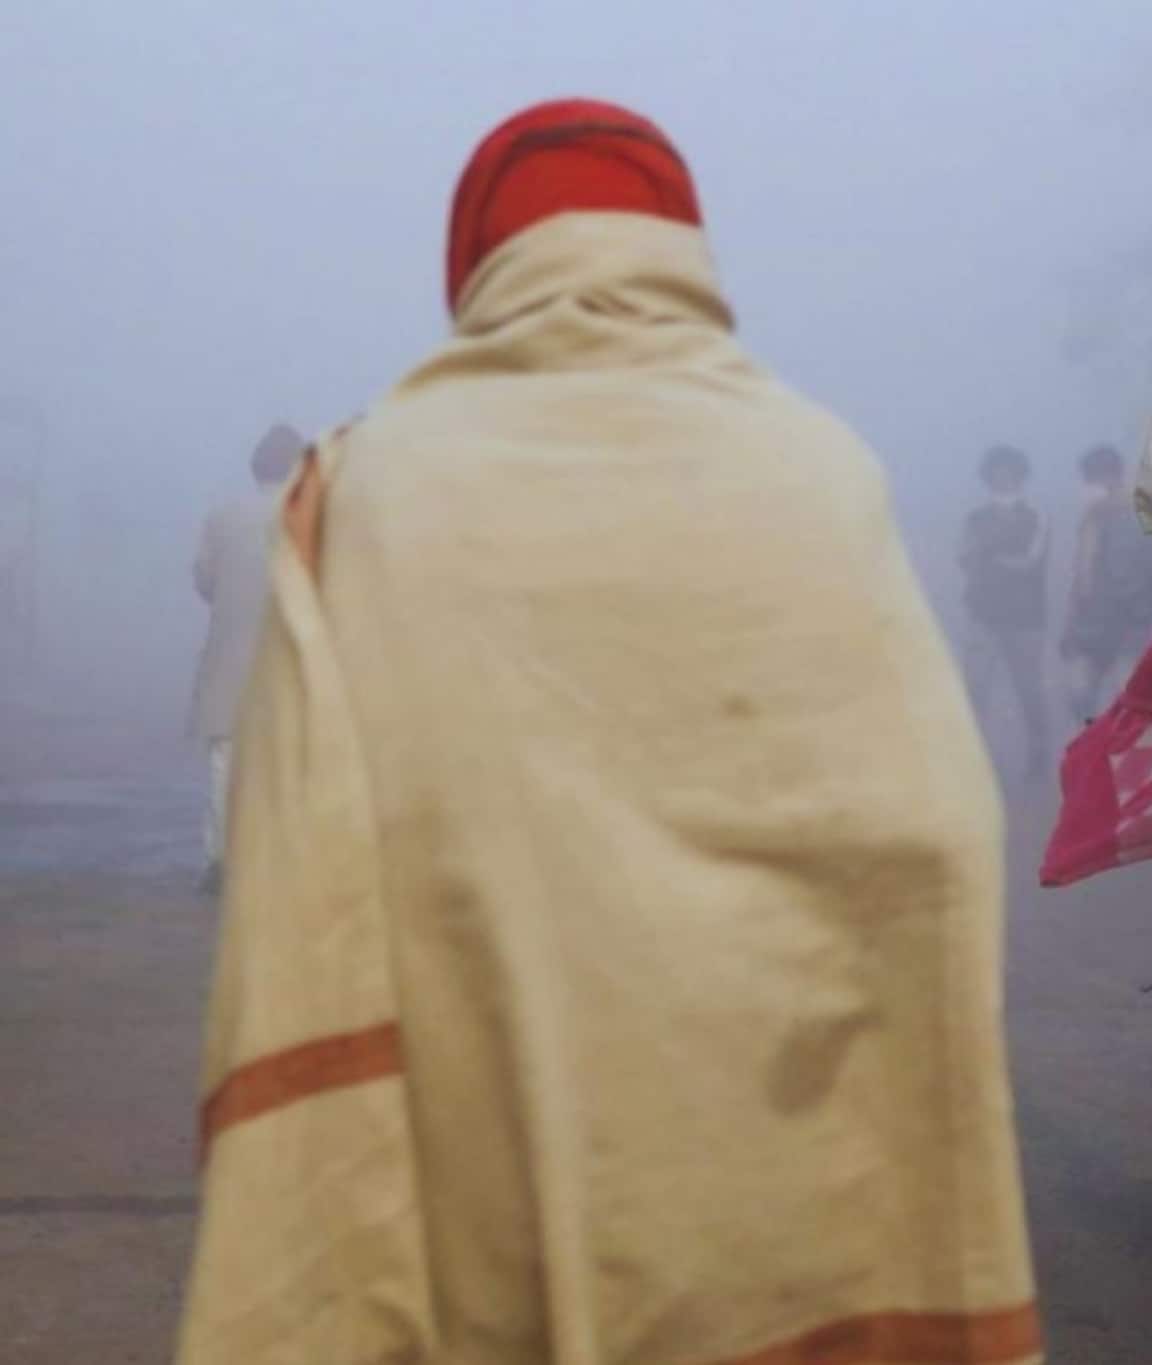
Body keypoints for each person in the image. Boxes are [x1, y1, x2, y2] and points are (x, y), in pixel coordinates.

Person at [177, 99, 1040, 1365]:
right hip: (786, 1144)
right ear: (682, 258)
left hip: (482, 1125)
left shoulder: (375, 484)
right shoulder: (820, 466)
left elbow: (299, 859)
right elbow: (936, 824)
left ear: (477, 268)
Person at [186, 421, 302, 891]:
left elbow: (205, 583)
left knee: (225, 766)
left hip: (231, 662)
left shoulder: (222, 516)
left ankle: (220, 861)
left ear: (255, 466)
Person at [958, 443, 1051, 775]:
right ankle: (976, 759)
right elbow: (965, 560)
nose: (1003, 478)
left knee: (1028, 689)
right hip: (982, 615)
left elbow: (1030, 562)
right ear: (988, 478)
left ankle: (1038, 751)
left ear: (1020, 476)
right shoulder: (974, 518)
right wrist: (990, 556)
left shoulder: (1037, 515)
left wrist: (989, 555)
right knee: (975, 688)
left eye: (1010, 472)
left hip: (1026, 618)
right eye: (997, 473)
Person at [1061, 443, 1152, 721]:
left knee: (1124, 693)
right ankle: (1093, 750)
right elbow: (1079, 578)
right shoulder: (1089, 520)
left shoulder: (1135, 519)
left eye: (1096, 478)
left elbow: (1150, 574)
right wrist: (1071, 622)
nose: (1090, 487)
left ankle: (1114, 755)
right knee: (1080, 694)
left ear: (1113, 478)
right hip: (1090, 624)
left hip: (1126, 621)